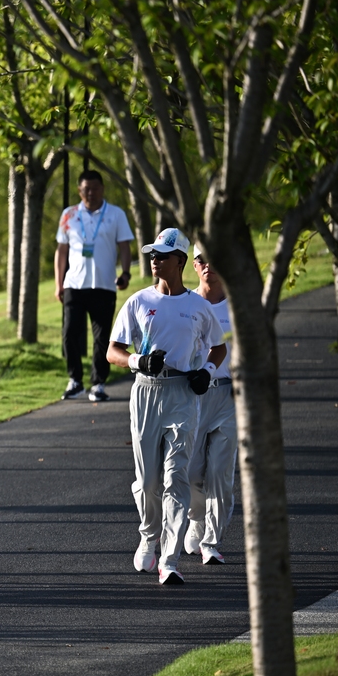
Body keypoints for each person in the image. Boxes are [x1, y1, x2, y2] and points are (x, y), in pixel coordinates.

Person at [106, 228, 226, 585]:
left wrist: (206, 370)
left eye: (162, 254)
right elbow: (113, 351)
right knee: (147, 481)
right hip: (146, 392)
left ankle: (169, 559)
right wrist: (138, 363)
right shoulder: (139, 301)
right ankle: (148, 538)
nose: (155, 259)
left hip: (183, 393)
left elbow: (218, 348)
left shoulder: (198, 307)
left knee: (176, 477)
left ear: (180, 261)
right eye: (153, 254)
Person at [55, 170, 134, 402]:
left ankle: (98, 383)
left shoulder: (116, 214)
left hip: (104, 284)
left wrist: (126, 273)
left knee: (102, 338)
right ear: (80, 190)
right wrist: (58, 283)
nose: (91, 192)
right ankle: (75, 381)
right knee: (70, 333)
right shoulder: (69, 215)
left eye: (95, 187)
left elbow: (125, 246)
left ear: (102, 188)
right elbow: (61, 251)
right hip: (74, 284)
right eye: (86, 188)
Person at [184, 246, 237, 565]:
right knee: (190, 471)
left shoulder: (239, 308)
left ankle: (211, 540)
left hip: (229, 396)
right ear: (194, 265)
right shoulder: (186, 305)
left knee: (220, 472)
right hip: (192, 397)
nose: (208, 265)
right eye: (202, 259)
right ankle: (196, 519)